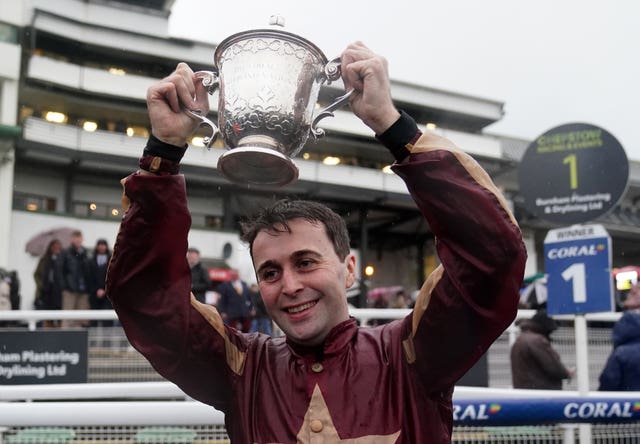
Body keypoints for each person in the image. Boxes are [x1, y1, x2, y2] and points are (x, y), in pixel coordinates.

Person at [106, 42, 526, 443]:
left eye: (306, 262)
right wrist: (163, 152)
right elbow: (147, 301)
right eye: (270, 272)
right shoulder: (240, 368)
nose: (289, 286)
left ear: (348, 269)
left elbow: (492, 257)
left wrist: (391, 124)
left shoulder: (412, 354)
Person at [511, 310, 574, 390]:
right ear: (545, 328)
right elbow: (553, 367)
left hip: (526, 391)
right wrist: (567, 373)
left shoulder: (522, 338)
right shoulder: (537, 341)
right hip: (541, 393)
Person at [598, 284, 640, 391]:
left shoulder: (621, 352)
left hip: (625, 404)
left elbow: (608, 382)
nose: (630, 295)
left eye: (634, 293)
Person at [58, 230, 92, 327]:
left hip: (83, 290)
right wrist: (64, 287)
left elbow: (89, 271)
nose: (78, 241)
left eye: (79, 238)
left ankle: (77, 340)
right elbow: (59, 271)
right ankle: (65, 340)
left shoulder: (85, 253)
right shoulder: (65, 253)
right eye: (76, 238)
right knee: (67, 317)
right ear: (71, 239)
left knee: (80, 318)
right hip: (69, 290)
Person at [33, 239, 64, 327]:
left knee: (59, 316)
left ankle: (58, 334)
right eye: (54, 247)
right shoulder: (44, 260)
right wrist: (41, 285)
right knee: (47, 316)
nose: (56, 249)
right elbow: (36, 274)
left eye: (58, 247)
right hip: (46, 292)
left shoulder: (62, 259)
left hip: (58, 293)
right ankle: (47, 333)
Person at [88, 239, 114, 326]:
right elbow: (89, 277)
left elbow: (112, 278)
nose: (102, 247)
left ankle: (106, 339)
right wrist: (96, 290)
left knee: (107, 320)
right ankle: (93, 339)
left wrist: (104, 289)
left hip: (107, 295)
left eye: (103, 245)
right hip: (94, 294)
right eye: (100, 245)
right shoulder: (91, 261)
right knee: (94, 320)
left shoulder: (112, 261)